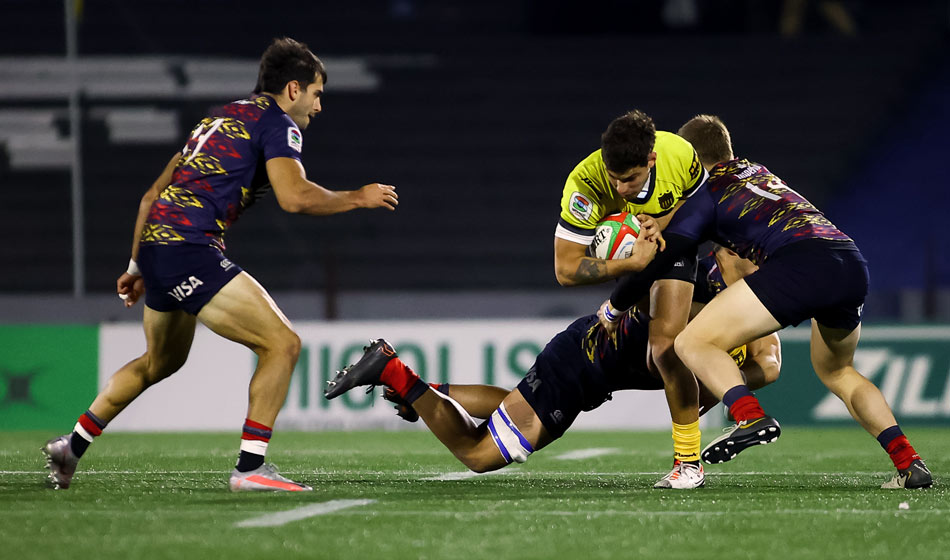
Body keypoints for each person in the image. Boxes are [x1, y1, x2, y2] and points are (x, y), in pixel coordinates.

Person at [41, 37, 399, 492]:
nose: (318, 106)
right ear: (293, 89)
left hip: (158, 247)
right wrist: (357, 197)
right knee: (282, 344)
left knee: (159, 362)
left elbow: (152, 195)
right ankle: (251, 468)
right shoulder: (278, 124)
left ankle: (70, 448)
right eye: (316, 93)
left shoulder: (218, 117)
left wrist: (136, 265)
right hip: (190, 247)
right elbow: (294, 197)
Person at [597, 114, 932, 489]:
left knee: (691, 342)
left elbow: (665, 255)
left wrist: (614, 306)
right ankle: (909, 464)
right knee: (839, 372)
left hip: (800, 261)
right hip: (848, 259)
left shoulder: (706, 194)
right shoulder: (758, 172)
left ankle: (749, 416)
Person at [324, 249, 781, 488]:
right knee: (479, 455)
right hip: (581, 366)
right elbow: (663, 355)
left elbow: (770, 363)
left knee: (509, 405)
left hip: (580, 358)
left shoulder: (745, 303)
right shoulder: (694, 285)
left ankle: (424, 390)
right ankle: (392, 371)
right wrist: (712, 382)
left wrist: (728, 378)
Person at [554, 109, 710, 488]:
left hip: (671, 247)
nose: (621, 189)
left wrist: (666, 223)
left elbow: (704, 205)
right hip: (628, 262)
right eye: (615, 178)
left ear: (651, 160)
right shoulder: (585, 184)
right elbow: (565, 269)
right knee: (657, 364)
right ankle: (717, 365)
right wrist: (629, 265)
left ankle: (689, 464)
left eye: (630, 179)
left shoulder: (680, 154)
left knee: (664, 350)